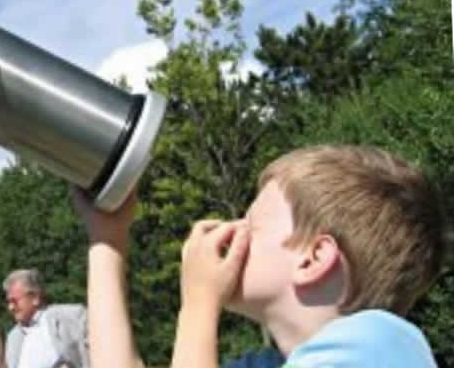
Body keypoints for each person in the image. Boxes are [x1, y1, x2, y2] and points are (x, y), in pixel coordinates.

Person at [72, 144, 447, 368]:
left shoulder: (380, 346)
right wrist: (108, 239)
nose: (230, 231)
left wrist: (199, 307)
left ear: (313, 259)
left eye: (252, 223)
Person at [3, 268, 89, 368]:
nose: (11, 307)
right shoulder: (13, 337)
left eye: (14, 301)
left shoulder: (70, 317)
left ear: (35, 298)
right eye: (8, 302)